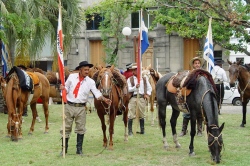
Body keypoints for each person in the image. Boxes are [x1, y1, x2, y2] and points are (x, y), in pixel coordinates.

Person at [59, 61, 112, 156]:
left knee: (81, 128)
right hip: (69, 106)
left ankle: (79, 150)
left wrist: (104, 99)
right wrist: (63, 88)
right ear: (80, 70)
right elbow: (66, 88)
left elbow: (97, 93)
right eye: (85, 70)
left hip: (81, 108)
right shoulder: (71, 77)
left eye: (88, 70)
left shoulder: (90, 82)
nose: (87, 72)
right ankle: (64, 149)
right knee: (65, 128)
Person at [179, 57, 204, 137]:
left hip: (200, 97)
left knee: (200, 114)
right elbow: (184, 84)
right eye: (195, 63)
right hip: (190, 96)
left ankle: (199, 131)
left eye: (198, 63)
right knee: (187, 114)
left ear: (200, 64)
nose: (197, 64)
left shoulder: (203, 74)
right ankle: (183, 130)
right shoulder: (189, 74)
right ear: (193, 65)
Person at [127, 63, 152, 135]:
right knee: (131, 114)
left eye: (136, 70)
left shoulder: (144, 79)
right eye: (133, 70)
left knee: (142, 114)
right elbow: (128, 89)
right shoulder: (130, 79)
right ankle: (130, 131)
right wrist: (135, 87)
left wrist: (147, 94)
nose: (134, 71)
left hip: (141, 98)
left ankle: (142, 130)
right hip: (133, 98)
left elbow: (149, 88)